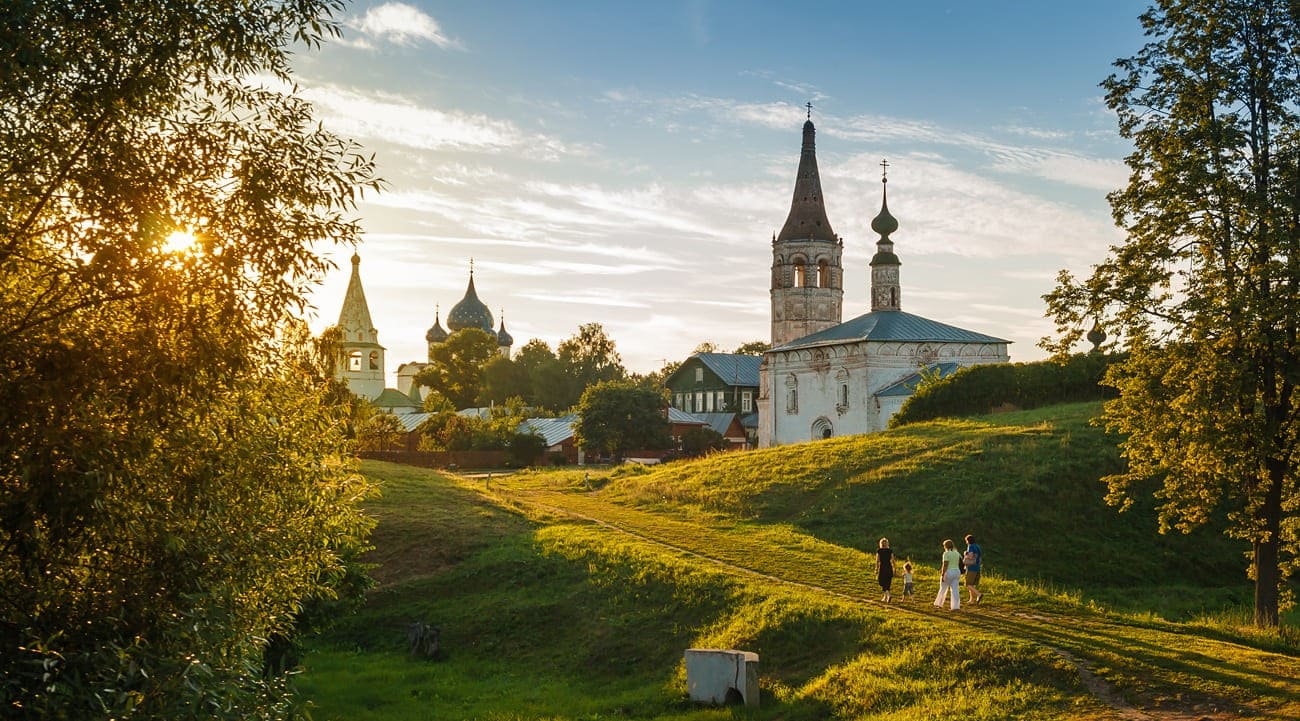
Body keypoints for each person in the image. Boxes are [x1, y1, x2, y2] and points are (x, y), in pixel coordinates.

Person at [934, 539, 962, 611]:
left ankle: (939, 603)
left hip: (949, 571)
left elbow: (945, 565)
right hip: (957, 571)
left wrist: (943, 574)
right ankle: (955, 606)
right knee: (955, 589)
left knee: (943, 588)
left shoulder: (946, 554)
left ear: (945, 546)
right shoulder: (957, 553)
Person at [963, 534, 983, 604]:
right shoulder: (978, 546)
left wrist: (965, 554)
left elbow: (970, 556)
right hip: (977, 567)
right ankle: (971, 600)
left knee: (968, 584)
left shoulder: (970, 546)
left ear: (968, 541)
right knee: (972, 584)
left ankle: (978, 594)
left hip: (971, 567)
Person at [875, 538, 896, 602]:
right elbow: (893, 560)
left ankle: (888, 595)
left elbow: (877, 561)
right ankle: (885, 597)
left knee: (881, 582)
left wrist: (876, 569)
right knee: (887, 583)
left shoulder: (879, 551)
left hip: (882, 568)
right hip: (889, 567)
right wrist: (894, 568)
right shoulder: (890, 551)